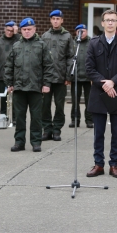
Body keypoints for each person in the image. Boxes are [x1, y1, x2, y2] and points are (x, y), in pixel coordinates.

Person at [85, 10, 117, 178]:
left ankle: (114, 164)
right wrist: (104, 83)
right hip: (98, 92)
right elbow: (89, 69)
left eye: (114, 20)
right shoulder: (93, 44)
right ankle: (98, 164)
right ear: (103, 23)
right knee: (98, 132)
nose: (111, 23)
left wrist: (112, 81)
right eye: (108, 20)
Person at [5, 18, 54, 153]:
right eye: (24, 30)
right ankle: (19, 142)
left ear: (34, 29)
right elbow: (9, 66)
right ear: (21, 31)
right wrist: (9, 83)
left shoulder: (42, 45)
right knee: (19, 117)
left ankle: (36, 142)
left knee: (36, 117)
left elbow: (48, 66)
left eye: (29, 29)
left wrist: (46, 84)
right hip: (19, 87)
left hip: (35, 87)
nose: (27, 32)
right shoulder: (16, 46)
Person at [41, 10, 74, 142]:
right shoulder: (45, 36)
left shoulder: (67, 36)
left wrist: (68, 76)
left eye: (58, 19)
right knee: (45, 105)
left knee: (59, 106)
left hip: (61, 78)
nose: (55, 21)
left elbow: (70, 58)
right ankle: (47, 130)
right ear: (50, 20)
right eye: (53, 18)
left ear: (62, 20)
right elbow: (41, 58)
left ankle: (56, 130)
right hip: (47, 79)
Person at [0, 21, 21, 123]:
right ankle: (3, 116)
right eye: (8, 30)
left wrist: (17, 33)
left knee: (15, 98)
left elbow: (22, 41)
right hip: (2, 74)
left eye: (12, 31)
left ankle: (15, 118)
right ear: (4, 30)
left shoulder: (17, 40)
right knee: (3, 96)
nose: (9, 32)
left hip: (15, 74)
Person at [68, 24, 93, 128]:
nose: (81, 33)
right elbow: (68, 60)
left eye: (83, 31)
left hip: (89, 77)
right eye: (79, 31)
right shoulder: (72, 44)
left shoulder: (92, 43)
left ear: (87, 32)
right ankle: (75, 120)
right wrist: (68, 76)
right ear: (76, 32)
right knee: (75, 100)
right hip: (76, 77)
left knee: (89, 100)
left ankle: (89, 120)